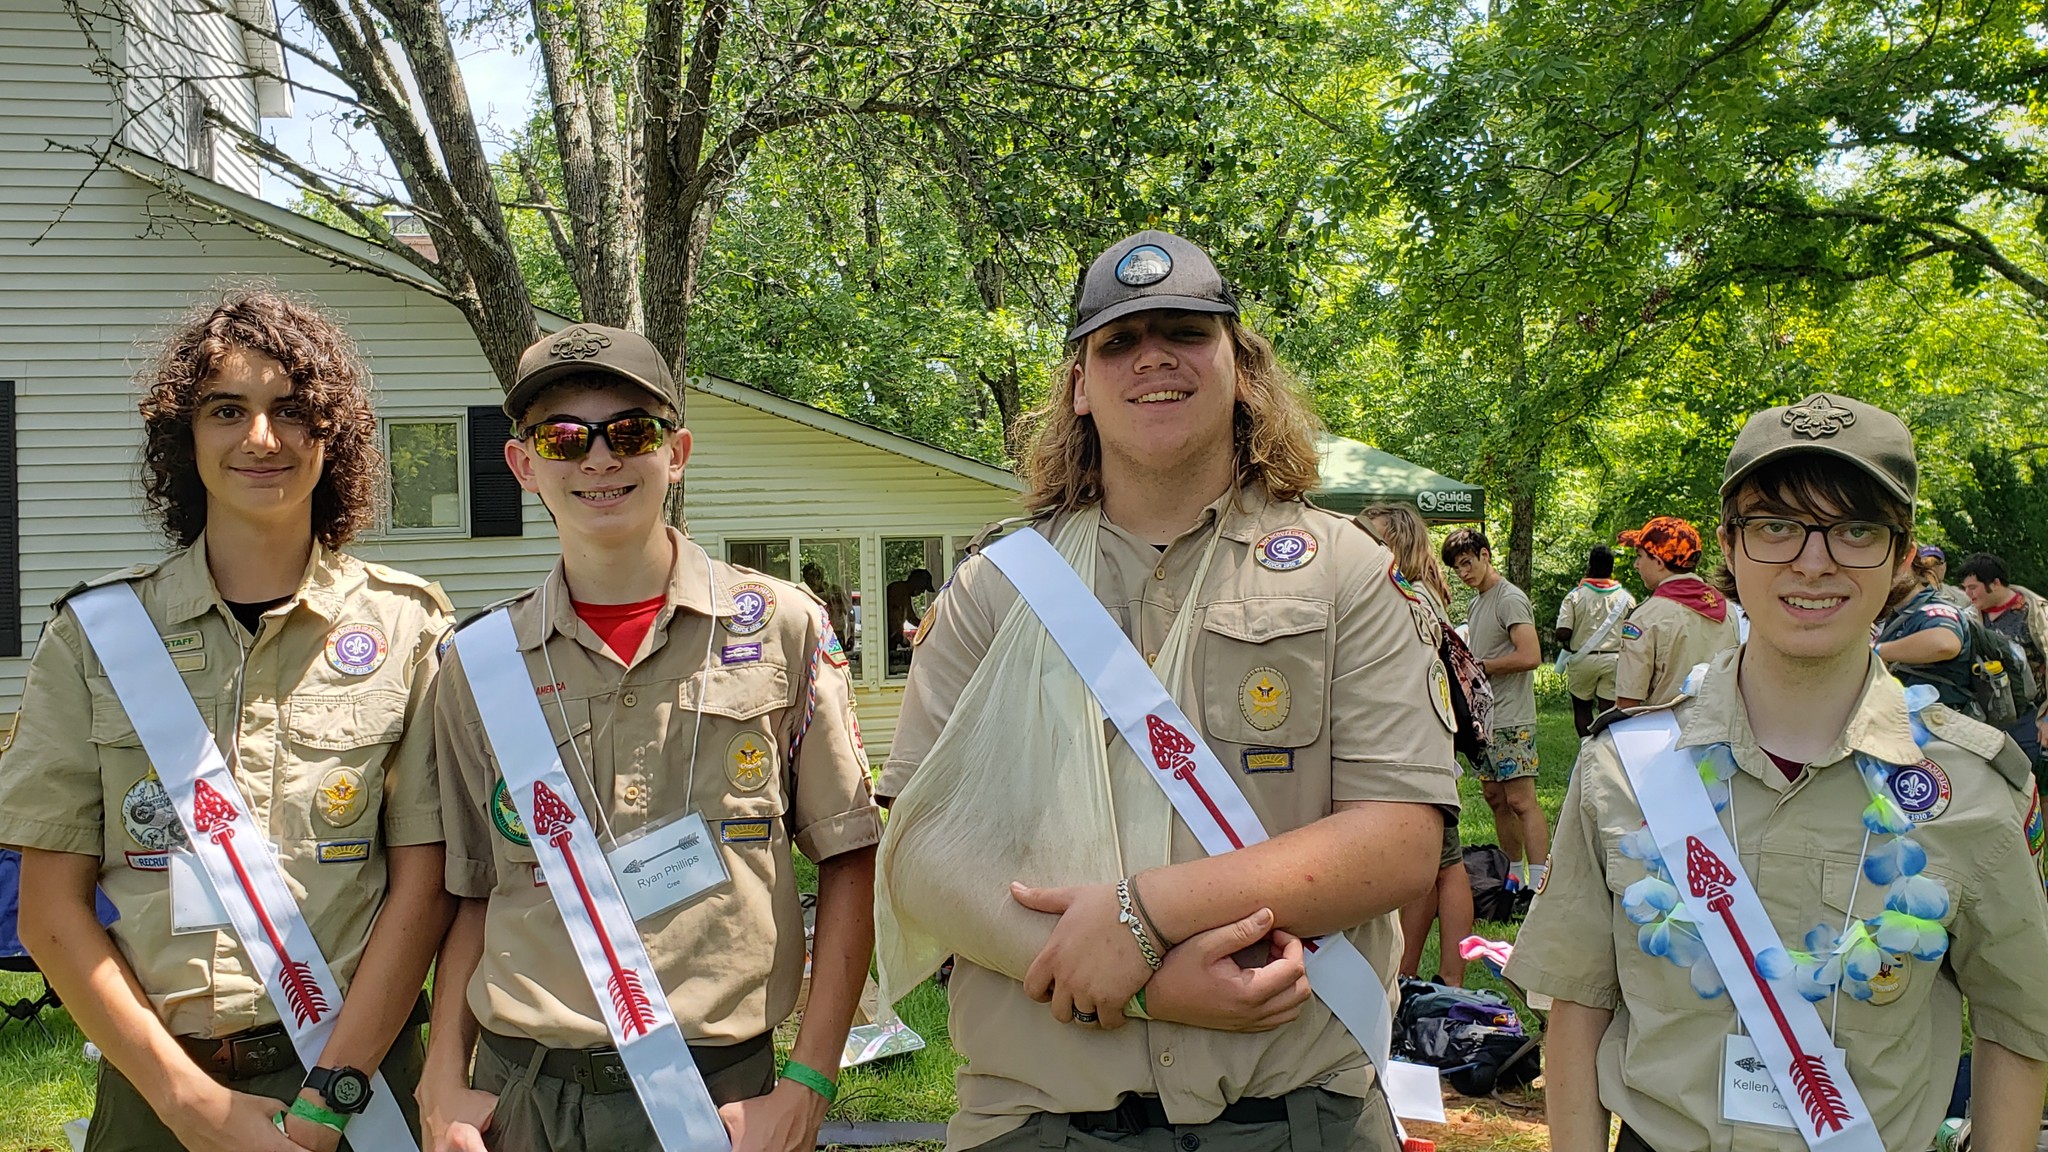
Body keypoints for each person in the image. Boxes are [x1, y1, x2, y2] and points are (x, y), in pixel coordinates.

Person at [876, 231, 1458, 1152]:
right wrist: (1139, 980)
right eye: (1116, 340)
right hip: (1037, 1120)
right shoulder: (998, 585)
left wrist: (1146, 917)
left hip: (1299, 1117)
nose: (1152, 355)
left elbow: (1397, 845)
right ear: (1079, 385)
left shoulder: (1345, 570)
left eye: (1186, 330)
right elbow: (921, 852)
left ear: (1242, 369)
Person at [1509, 392, 2048, 1152]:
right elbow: (1577, 1004)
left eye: (1856, 528)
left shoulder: (1976, 785)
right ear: (1730, 547)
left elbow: (2018, 1024)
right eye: (1776, 527)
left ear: (1900, 557)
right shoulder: (1623, 772)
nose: (1813, 560)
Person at [0, 291, 455, 1152]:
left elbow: (424, 887)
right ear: (186, 436)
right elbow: (48, 910)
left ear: (333, 436)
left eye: (291, 411)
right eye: (226, 411)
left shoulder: (408, 629)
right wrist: (184, 1101)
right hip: (156, 1083)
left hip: (358, 1084)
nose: (261, 439)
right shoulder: (96, 636)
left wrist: (334, 1090)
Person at [420, 325, 881, 1152]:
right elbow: (472, 890)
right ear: (524, 466)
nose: (599, 459)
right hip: (525, 1097)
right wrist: (441, 1081)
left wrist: (810, 1081)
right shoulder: (477, 662)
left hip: (725, 1096)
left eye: (630, 431)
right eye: (563, 437)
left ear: (678, 453)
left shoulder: (782, 627)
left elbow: (849, 859)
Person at [1361, 503, 1473, 987]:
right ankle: (1415, 972)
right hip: (1420, 748)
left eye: (1374, 538)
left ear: (1399, 544)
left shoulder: (1406, 596)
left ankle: (1443, 978)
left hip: (1416, 750)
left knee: (1443, 865)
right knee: (1433, 865)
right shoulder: (1420, 593)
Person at [1442, 528, 1547, 893]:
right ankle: (1512, 875)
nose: (1463, 572)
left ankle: (1540, 881)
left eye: (1467, 562)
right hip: (1485, 720)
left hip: (1512, 717)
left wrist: (1481, 667)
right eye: (1457, 567)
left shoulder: (1510, 598)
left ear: (1486, 555)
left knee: (1521, 799)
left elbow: (1530, 655)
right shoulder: (1476, 603)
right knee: (1495, 798)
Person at [1612, 516, 1740, 709]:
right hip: (1720, 726)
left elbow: (1628, 702)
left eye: (1639, 556)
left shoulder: (1646, 617)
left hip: (1664, 733)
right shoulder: (1727, 608)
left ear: (1658, 562)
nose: (1636, 565)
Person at [1956, 551, 2048, 775]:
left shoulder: (2035, 613)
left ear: (1995, 583)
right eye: (1965, 588)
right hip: (1987, 718)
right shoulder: (1970, 617)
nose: (1968, 594)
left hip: (2032, 718)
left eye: (1973, 587)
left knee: (2034, 788)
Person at [1875, 549, 1977, 715]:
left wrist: (1876, 651)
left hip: (1936, 725)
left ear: (1912, 567)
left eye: (1893, 569)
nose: (1883, 578)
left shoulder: (1935, 608)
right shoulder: (1895, 614)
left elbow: (1944, 644)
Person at [1554, 545, 1637, 738]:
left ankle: (1586, 747)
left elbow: (1563, 633)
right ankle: (1607, 747)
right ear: (1611, 568)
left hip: (1583, 660)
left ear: (1590, 566)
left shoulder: (1575, 596)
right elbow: (1633, 633)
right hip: (1614, 659)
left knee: (1582, 708)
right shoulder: (1626, 599)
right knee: (1608, 709)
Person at [801, 560, 852, 649]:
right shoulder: (803, 594)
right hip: (813, 636)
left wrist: (851, 634)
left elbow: (849, 611)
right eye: (808, 578)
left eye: (815, 577)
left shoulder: (835, 591)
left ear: (820, 578)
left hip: (835, 634)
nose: (812, 580)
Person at [1918, 545, 1974, 611]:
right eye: (1926, 563)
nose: (1932, 568)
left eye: (1937, 563)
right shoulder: (1907, 596)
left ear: (1944, 567)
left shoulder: (1961, 597)